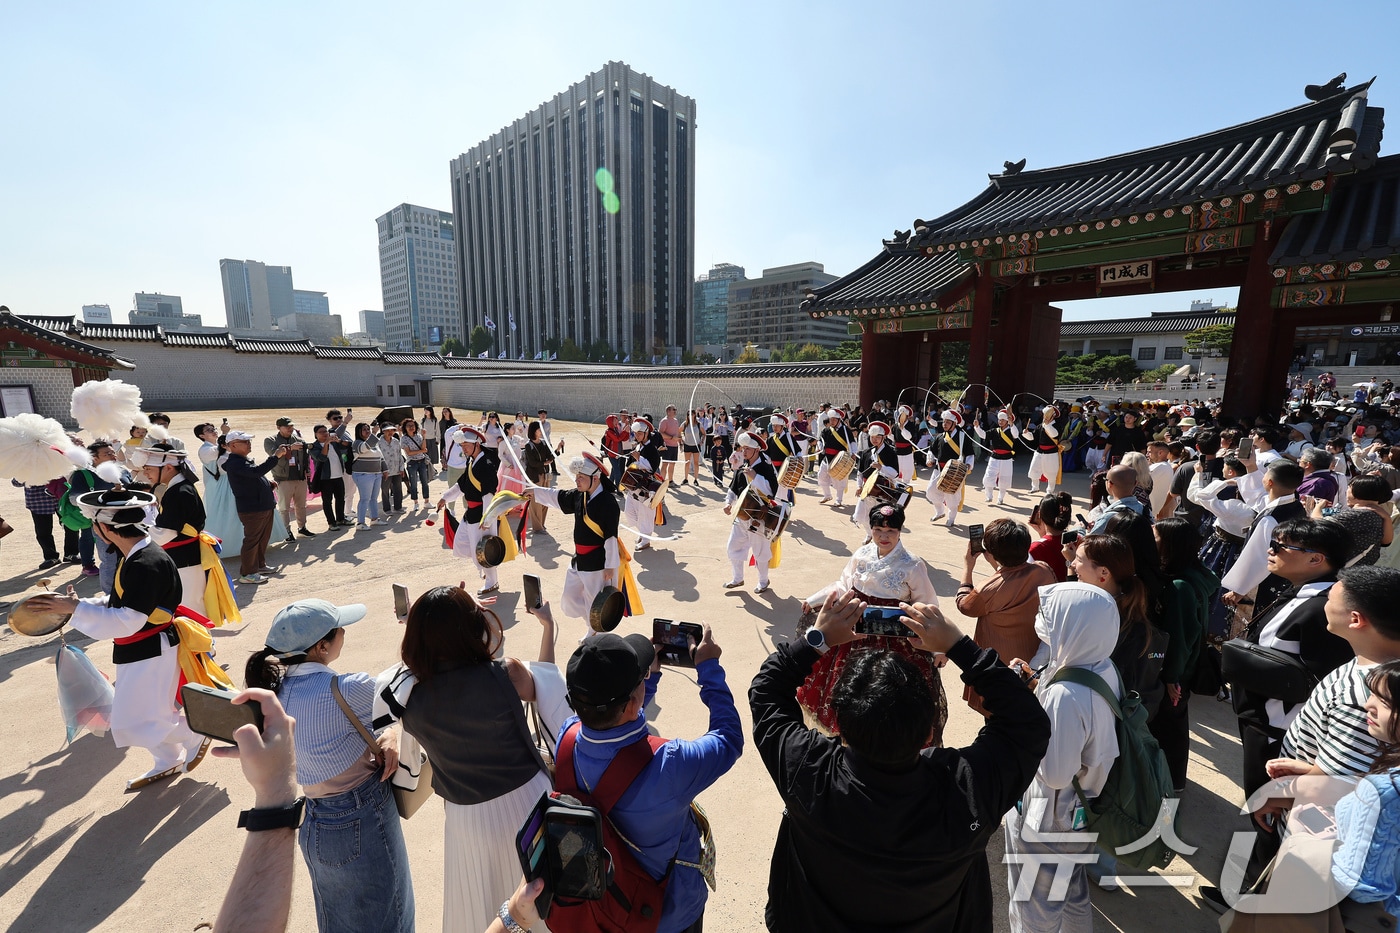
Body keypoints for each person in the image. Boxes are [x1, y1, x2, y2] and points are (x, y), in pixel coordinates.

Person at [751, 590, 1050, 932]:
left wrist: (817, 640)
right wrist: (958, 645)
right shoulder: (968, 789)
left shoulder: (809, 772)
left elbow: (767, 690)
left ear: (841, 724)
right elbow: (1027, 724)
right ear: (928, 727)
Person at [380, 586, 558, 933]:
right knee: (542, 901)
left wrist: (427, 621)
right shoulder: (506, 672)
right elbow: (549, 688)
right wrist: (548, 628)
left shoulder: (405, 696)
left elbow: (403, 669)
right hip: (529, 804)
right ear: (472, 626)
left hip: (467, 816)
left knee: (480, 905)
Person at [26, 488, 215, 791]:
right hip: (144, 647)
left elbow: (127, 620)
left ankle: (194, 733)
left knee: (134, 719)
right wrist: (78, 605)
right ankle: (168, 758)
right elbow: (121, 605)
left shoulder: (145, 562)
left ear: (104, 527)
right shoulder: (137, 554)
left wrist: (75, 608)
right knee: (147, 713)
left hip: (152, 648)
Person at [243, 599, 414, 933]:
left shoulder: (271, 696)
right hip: (362, 814)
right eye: (339, 630)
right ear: (322, 647)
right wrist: (392, 732)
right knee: (392, 918)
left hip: (312, 820)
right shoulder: (346, 689)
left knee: (338, 922)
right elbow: (405, 687)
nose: (344, 633)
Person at [558, 623, 742, 933]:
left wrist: (649, 680)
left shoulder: (567, 736)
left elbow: (615, 718)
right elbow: (728, 739)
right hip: (666, 915)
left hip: (605, 904)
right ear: (632, 703)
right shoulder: (671, 764)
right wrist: (709, 668)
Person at [1211, 517, 1355, 899]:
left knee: (1269, 812)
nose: (1271, 550)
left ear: (1316, 559)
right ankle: (1250, 886)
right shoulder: (1300, 591)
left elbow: (1321, 680)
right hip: (1261, 720)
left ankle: (1255, 896)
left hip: (1281, 731)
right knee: (1260, 807)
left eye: (1283, 545)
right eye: (1273, 542)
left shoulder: (1327, 609)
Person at [1003, 583, 1122, 933]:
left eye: (1050, 616)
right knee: (1070, 888)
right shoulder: (1102, 667)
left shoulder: (1064, 696)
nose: (1042, 621)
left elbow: (1054, 775)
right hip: (1080, 809)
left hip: (1049, 813)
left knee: (1033, 904)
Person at [795, 502, 945, 737]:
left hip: (894, 638)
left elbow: (927, 606)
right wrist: (814, 599)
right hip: (854, 630)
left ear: (900, 531)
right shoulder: (861, 553)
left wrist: (938, 648)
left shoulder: (912, 565)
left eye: (891, 532)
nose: (884, 537)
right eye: (878, 531)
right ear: (871, 529)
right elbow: (843, 585)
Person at [955, 518, 1058, 715]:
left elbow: (965, 605)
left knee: (998, 713)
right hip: (1034, 660)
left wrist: (968, 566)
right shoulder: (1043, 570)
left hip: (1000, 667)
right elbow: (1013, 579)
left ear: (991, 553)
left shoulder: (987, 589)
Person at [1152, 517, 1218, 793]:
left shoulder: (1179, 587)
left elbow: (1179, 638)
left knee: (1170, 729)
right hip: (1189, 666)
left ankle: (1171, 783)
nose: (1151, 541)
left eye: (1155, 537)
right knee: (1176, 725)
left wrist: (1171, 678)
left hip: (1179, 671)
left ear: (1170, 545)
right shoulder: (1201, 576)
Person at [143, 443, 238, 627]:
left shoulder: (179, 492)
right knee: (190, 605)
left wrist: (138, 531)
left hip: (185, 559)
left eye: (149, 469)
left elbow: (165, 533)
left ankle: (201, 649)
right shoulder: (178, 488)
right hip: (186, 557)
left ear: (168, 467)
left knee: (189, 607)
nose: (146, 473)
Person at [526, 453, 623, 630]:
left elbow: (611, 537)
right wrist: (535, 492)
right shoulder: (580, 495)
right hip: (579, 559)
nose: (577, 481)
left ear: (595, 479)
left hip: (598, 563)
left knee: (596, 603)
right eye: (576, 477)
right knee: (569, 600)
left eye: (581, 477)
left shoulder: (608, 503)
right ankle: (591, 625)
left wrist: (610, 566)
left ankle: (595, 633)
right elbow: (559, 497)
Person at [1222, 460, 1308, 612]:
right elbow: (1256, 499)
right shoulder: (1296, 506)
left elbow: (1258, 557)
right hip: (1288, 574)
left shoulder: (1270, 518)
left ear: (1269, 482)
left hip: (1266, 579)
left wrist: (1239, 589)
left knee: (1256, 619)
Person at [437, 425, 502, 597]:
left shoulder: (487, 465)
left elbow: (488, 494)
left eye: (466, 445)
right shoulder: (472, 461)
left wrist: (486, 519)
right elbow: (462, 484)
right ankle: (485, 572)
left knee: (484, 549)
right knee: (463, 543)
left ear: (476, 444)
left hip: (482, 514)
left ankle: (492, 581)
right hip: (471, 514)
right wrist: (446, 497)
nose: (463, 448)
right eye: (462, 445)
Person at [222, 429, 290, 584]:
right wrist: (275, 457)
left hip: (262, 505)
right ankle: (247, 573)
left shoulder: (241, 461)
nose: (249, 444)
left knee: (262, 539)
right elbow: (256, 472)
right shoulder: (234, 463)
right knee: (252, 541)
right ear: (232, 445)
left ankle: (259, 565)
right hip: (253, 508)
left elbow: (253, 477)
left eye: (248, 441)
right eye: (244, 442)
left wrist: (267, 485)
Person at [722, 429, 780, 593]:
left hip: (758, 517)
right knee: (733, 546)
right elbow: (733, 488)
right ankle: (738, 578)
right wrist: (728, 503)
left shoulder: (765, 467)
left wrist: (756, 477)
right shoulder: (742, 466)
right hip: (741, 515)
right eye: (743, 448)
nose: (744, 451)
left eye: (748, 448)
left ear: (756, 449)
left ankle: (763, 581)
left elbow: (772, 491)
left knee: (760, 550)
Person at [265, 417, 315, 541]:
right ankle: (286, 531)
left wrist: (307, 471)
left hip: (299, 477)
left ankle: (302, 528)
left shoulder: (299, 440)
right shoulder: (270, 440)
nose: (290, 429)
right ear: (278, 427)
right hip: (282, 478)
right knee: (284, 508)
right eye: (287, 426)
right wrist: (290, 448)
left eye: (291, 426)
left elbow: (305, 458)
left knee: (301, 505)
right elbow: (272, 454)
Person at [925, 409, 974, 528]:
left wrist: (968, 465)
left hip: (955, 471)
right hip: (939, 469)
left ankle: (951, 518)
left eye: (947, 422)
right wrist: (929, 459)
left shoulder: (963, 437)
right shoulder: (940, 437)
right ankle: (940, 511)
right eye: (943, 422)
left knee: (952, 497)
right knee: (931, 491)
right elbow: (931, 450)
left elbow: (970, 454)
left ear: (954, 423)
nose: (944, 424)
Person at [622, 417, 664, 551]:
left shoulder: (652, 449)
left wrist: (639, 458)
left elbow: (653, 467)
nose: (637, 436)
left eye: (640, 433)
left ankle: (646, 539)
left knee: (645, 513)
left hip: (646, 486)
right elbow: (630, 464)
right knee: (629, 512)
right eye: (636, 433)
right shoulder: (638, 446)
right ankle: (642, 532)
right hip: (633, 486)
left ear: (646, 433)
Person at [852, 421, 899, 534]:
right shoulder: (866, 453)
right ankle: (870, 535)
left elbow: (895, 473)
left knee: (879, 517)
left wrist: (881, 467)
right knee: (859, 515)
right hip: (867, 489)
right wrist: (859, 486)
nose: (875, 439)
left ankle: (875, 538)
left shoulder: (890, 452)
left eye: (878, 436)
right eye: (872, 437)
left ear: (883, 437)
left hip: (883, 491)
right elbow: (860, 472)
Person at [309, 423, 351, 529]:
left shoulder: (334, 443)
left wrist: (338, 441)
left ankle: (341, 519)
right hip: (325, 478)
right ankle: (331, 523)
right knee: (327, 501)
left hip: (338, 475)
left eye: (325, 431)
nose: (324, 433)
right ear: (315, 434)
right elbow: (322, 458)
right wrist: (326, 444)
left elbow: (348, 445)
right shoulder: (313, 447)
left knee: (341, 498)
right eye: (321, 432)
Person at [975, 408, 1020, 504]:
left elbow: (1016, 435)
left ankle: (1000, 498)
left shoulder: (1012, 430)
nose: (1000, 421)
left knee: (1004, 478)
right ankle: (989, 496)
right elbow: (984, 435)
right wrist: (977, 427)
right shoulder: (995, 431)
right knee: (989, 476)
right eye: (999, 420)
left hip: (1007, 458)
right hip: (994, 456)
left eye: (1002, 420)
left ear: (1007, 421)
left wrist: (1012, 424)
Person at [350, 422, 390, 527]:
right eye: (364, 429)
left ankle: (374, 519)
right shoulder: (357, 443)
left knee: (373, 498)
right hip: (363, 475)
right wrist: (374, 433)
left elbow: (381, 457)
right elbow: (364, 448)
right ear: (359, 432)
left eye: (368, 429)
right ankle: (360, 523)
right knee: (364, 499)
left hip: (376, 474)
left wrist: (385, 469)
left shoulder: (374, 444)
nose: (367, 431)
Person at [1029, 491, 1074, 581]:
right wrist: (1043, 534)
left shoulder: (1034, 549)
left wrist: (1043, 536)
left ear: (1039, 515)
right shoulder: (1078, 540)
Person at [522, 420, 556, 534]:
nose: (541, 432)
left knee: (545, 500)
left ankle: (542, 523)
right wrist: (544, 463)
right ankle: (537, 527)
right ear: (533, 431)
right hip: (534, 476)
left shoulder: (544, 443)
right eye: (539, 430)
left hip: (545, 475)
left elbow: (550, 456)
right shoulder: (528, 445)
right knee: (536, 502)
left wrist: (557, 450)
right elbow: (532, 463)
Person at [816, 407, 855, 506]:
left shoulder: (845, 430)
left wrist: (853, 453)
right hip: (827, 458)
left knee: (839, 480)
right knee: (821, 476)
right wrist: (820, 447)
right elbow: (820, 440)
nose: (832, 421)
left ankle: (839, 499)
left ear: (839, 420)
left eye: (834, 419)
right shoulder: (827, 430)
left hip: (840, 459)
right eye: (830, 419)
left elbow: (852, 442)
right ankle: (827, 495)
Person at [1026, 405, 1062, 494]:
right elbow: (1033, 437)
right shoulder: (1040, 426)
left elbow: (1054, 435)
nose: (1044, 417)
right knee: (1034, 469)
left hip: (1051, 453)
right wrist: (1027, 434)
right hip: (1039, 451)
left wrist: (1047, 425)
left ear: (1052, 416)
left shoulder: (1057, 425)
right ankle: (1035, 487)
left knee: (1051, 472)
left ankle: (1050, 490)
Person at [399, 417, 432, 509]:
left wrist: (424, 437)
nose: (411, 427)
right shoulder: (404, 439)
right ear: (405, 427)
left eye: (413, 425)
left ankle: (426, 501)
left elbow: (424, 448)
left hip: (421, 461)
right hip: (412, 463)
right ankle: (416, 503)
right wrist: (421, 450)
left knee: (425, 482)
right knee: (413, 483)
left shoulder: (419, 436)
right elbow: (409, 453)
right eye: (408, 426)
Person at [379, 422, 406, 514]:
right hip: (385, 470)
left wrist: (402, 468)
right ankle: (386, 509)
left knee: (398, 489)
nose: (390, 432)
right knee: (385, 490)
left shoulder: (396, 441)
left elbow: (399, 455)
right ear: (383, 431)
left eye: (392, 430)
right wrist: (382, 470)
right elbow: (379, 457)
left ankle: (398, 507)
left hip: (396, 469)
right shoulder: (379, 442)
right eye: (388, 430)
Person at [658, 404, 681, 484]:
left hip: (675, 446)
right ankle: (661, 482)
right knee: (665, 464)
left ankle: (670, 481)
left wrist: (679, 441)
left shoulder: (675, 421)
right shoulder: (664, 421)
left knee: (672, 464)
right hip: (667, 446)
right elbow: (660, 433)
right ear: (668, 411)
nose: (675, 411)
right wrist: (671, 438)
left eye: (675, 409)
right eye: (673, 409)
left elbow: (677, 432)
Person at [680, 409, 704, 486]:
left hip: (696, 445)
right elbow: (678, 431)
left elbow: (704, 433)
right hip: (687, 445)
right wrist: (682, 439)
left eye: (692, 414)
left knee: (696, 463)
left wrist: (701, 441)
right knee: (687, 462)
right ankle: (686, 479)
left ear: (694, 415)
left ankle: (696, 479)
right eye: (688, 414)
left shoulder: (698, 424)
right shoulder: (685, 424)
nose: (690, 416)